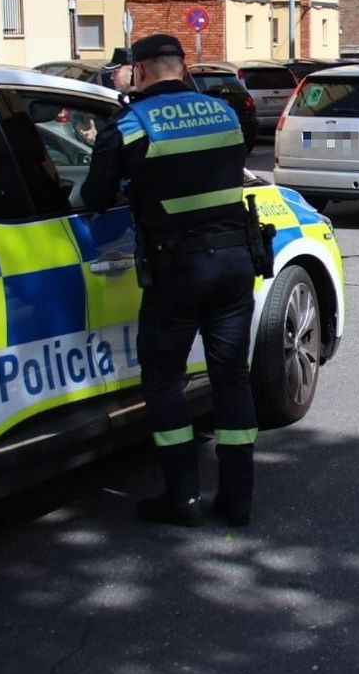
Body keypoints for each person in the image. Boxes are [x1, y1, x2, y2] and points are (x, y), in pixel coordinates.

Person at [81, 34, 259, 528]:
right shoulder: (225, 113)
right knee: (231, 377)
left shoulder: (130, 124)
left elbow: (95, 196)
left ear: (139, 71)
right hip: (235, 263)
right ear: (182, 67)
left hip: (176, 271)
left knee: (164, 380)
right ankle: (237, 499)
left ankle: (183, 497)